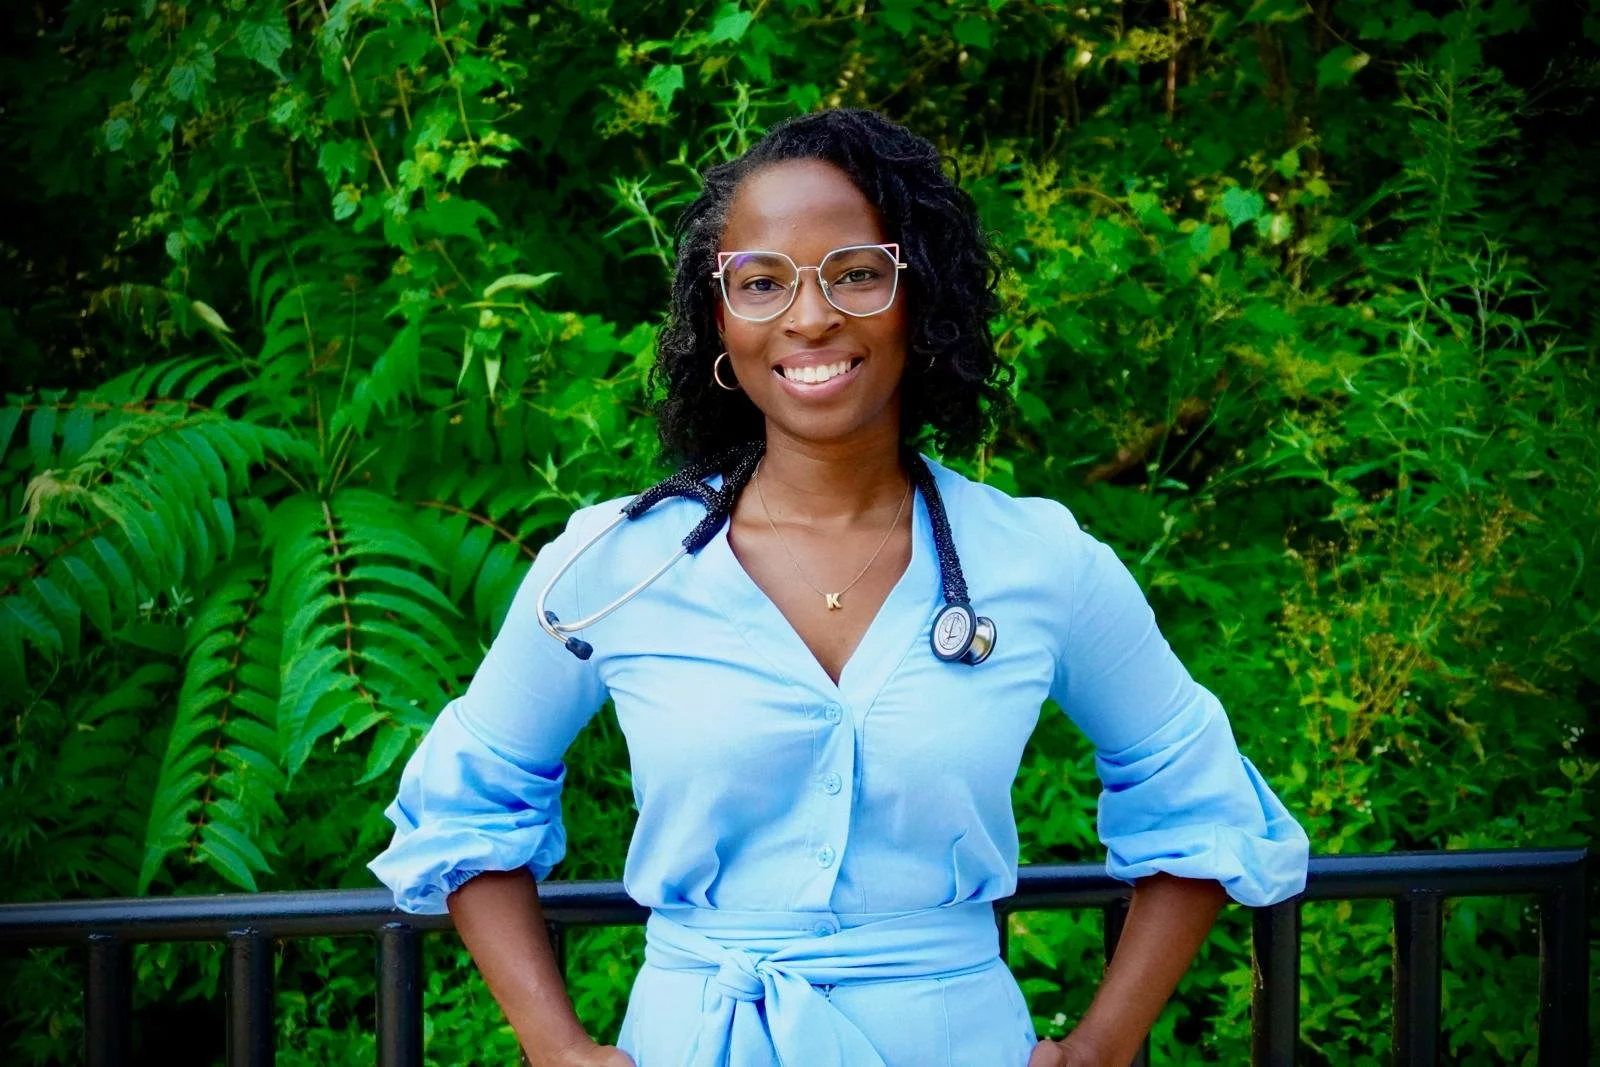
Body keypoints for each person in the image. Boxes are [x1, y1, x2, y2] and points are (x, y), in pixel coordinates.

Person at [368, 108, 1309, 1067]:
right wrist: (554, 1044)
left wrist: (1106, 1046)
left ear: (918, 294)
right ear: (719, 318)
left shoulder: (1039, 561)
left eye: (856, 272)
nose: (810, 315)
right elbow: (466, 807)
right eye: (762, 282)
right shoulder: (618, 563)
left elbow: (1201, 799)